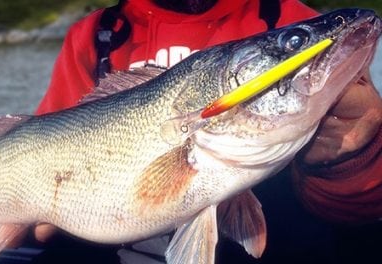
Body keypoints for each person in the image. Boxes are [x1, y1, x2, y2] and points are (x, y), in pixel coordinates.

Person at [32, 0, 382, 261]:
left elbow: (366, 208)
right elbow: (38, 148)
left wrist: (355, 156)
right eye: (293, 43)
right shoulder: (95, 35)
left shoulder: (294, 22)